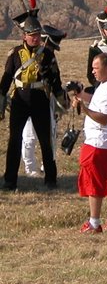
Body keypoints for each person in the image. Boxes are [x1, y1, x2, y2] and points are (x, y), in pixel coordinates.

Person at [2, 8, 63, 190]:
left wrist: (60, 99)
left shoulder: (48, 54)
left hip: (39, 99)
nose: (35, 38)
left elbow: (55, 79)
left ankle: (51, 179)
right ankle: (10, 180)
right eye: (32, 35)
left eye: (37, 35)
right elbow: (6, 78)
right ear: (24, 36)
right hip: (19, 100)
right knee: (14, 140)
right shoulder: (15, 54)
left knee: (45, 141)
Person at [70, 53, 107, 234]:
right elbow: (97, 102)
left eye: (96, 68)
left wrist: (84, 109)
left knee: (94, 183)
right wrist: (81, 95)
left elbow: (104, 118)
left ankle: (94, 223)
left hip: (99, 143)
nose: (92, 71)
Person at [21, 25, 65, 177]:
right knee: (29, 136)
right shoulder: (27, 55)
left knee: (50, 137)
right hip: (29, 98)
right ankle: (30, 168)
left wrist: (61, 100)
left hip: (47, 100)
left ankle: (46, 167)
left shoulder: (49, 57)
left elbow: (56, 80)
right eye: (50, 46)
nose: (51, 50)